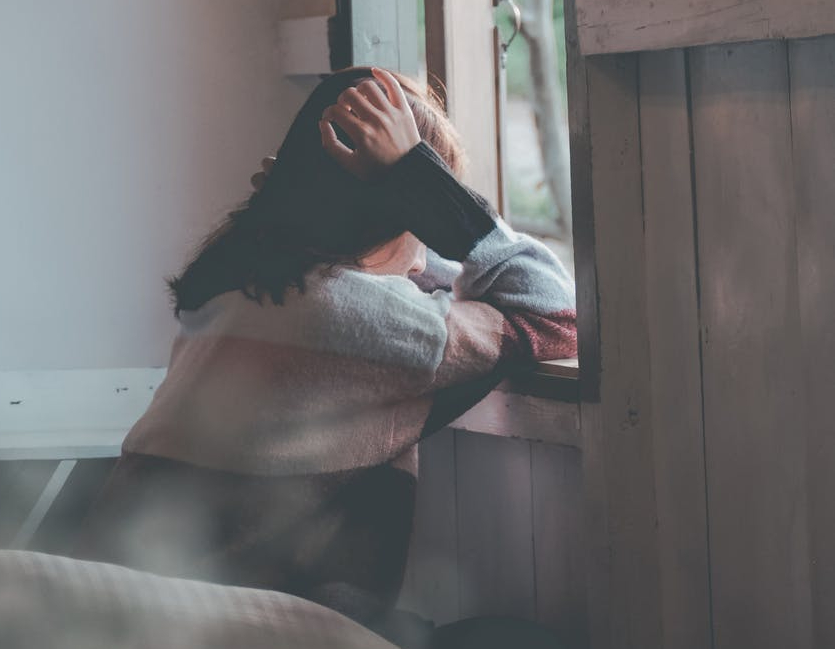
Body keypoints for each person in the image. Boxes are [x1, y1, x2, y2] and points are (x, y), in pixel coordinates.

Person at [71, 66, 577, 648]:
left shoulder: (235, 284)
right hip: (241, 629)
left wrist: (318, 198)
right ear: (402, 211)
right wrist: (422, 180)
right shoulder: (358, 318)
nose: (425, 258)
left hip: (114, 608)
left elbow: (399, 280)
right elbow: (553, 312)